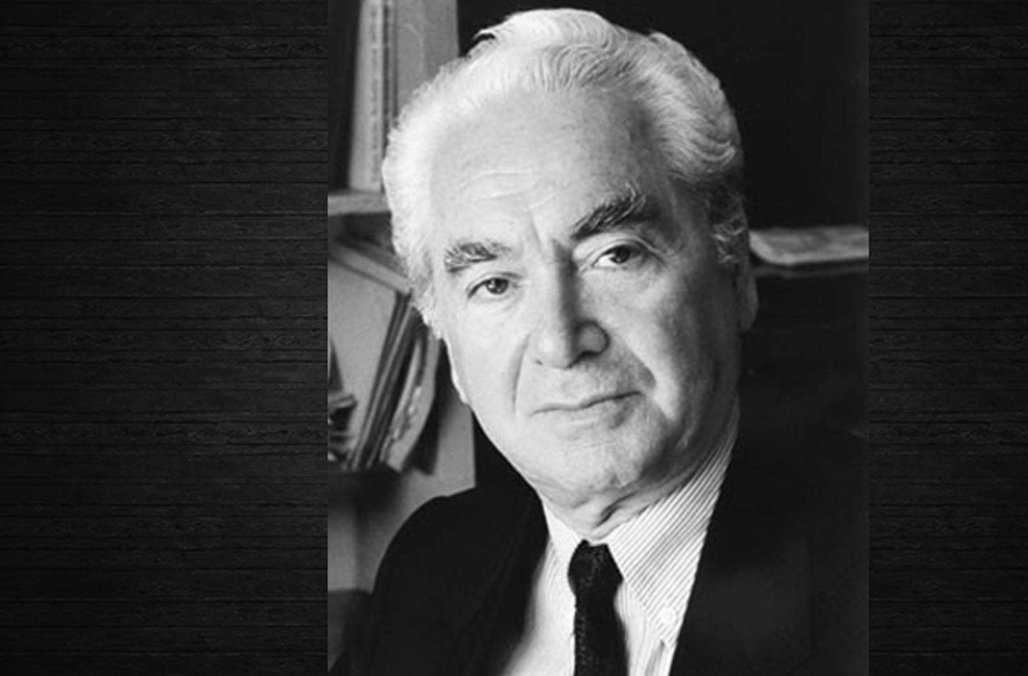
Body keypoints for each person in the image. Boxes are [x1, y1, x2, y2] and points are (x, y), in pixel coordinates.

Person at [333, 8, 864, 675]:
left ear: (734, 273)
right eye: (494, 284)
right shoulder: (432, 566)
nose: (561, 341)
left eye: (616, 254)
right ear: (445, 335)